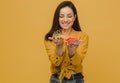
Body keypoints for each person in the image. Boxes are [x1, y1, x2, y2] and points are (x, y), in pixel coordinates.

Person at [44, 1, 88, 83]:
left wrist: (72, 50)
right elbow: (55, 63)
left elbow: (77, 63)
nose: (65, 20)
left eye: (69, 16)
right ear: (57, 18)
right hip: (56, 79)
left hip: (76, 79)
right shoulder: (51, 37)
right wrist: (59, 46)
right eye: (61, 16)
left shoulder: (82, 37)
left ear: (74, 17)